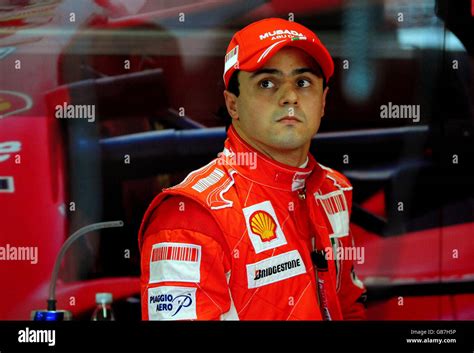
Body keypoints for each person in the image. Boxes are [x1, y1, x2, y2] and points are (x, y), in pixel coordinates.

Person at [138, 17, 367, 320]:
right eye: (266, 83)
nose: (290, 97)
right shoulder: (191, 216)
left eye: (303, 82)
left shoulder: (333, 190)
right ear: (233, 104)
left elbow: (349, 308)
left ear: (323, 102)